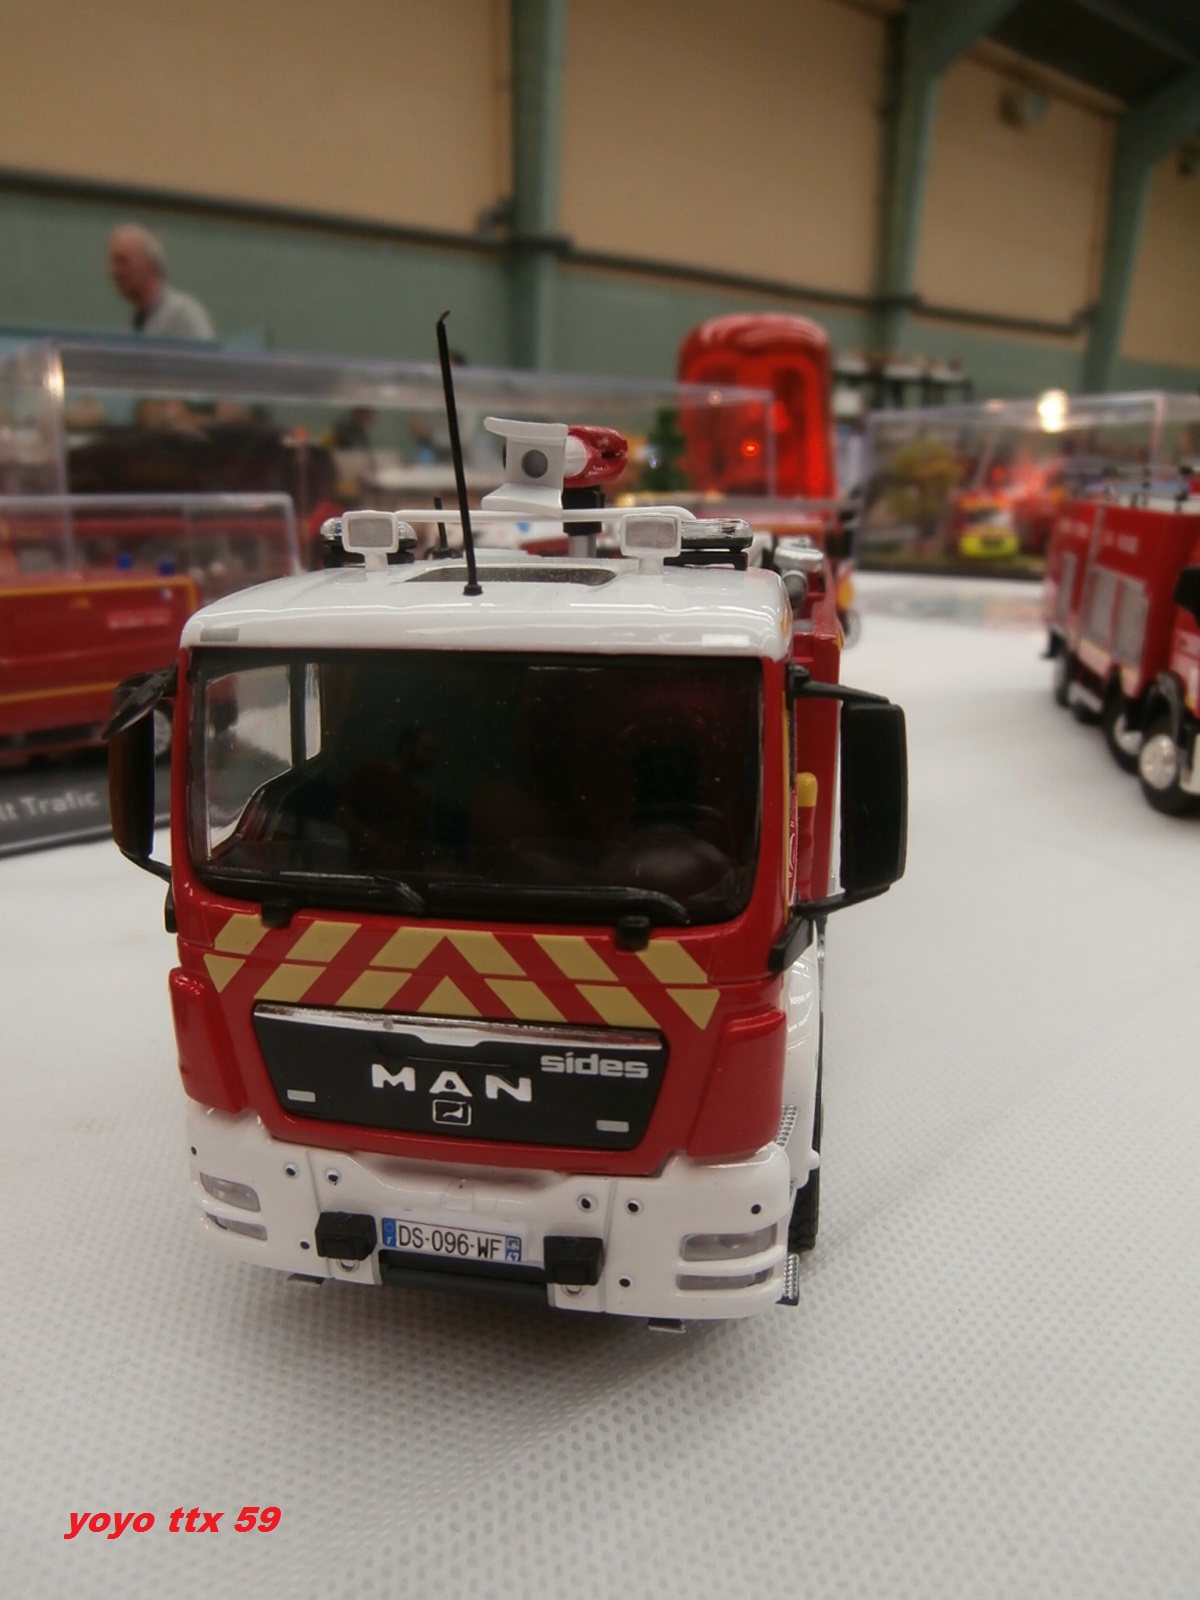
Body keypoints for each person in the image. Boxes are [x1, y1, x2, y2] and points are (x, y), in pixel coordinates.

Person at [108, 224, 215, 341]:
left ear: (149, 264)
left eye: (123, 261)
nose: (113, 271)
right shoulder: (134, 324)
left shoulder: (183, 315)